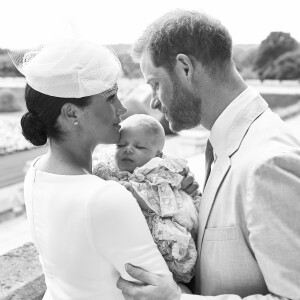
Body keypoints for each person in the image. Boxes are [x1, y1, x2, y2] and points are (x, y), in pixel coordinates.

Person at [116, 9, 300, 300]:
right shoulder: (228, 144)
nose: (152, 100)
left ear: (185, 68)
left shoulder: (268, 163)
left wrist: (176, 299)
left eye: (155, 83)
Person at [11, 38, 197, 299]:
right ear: (72, 113)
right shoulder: (105, 196)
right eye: (111, 98)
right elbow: (162, 292)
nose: (121, 108)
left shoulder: (37, 172)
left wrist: (168, 183)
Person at [93, 114, 200, 283]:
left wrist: (131, 191)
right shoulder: (107, 166)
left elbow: (162, 202)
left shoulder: (159, 172)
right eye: (120, 145)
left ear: (158, 154)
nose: (127, 149)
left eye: (139, 147)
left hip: (158, 232)